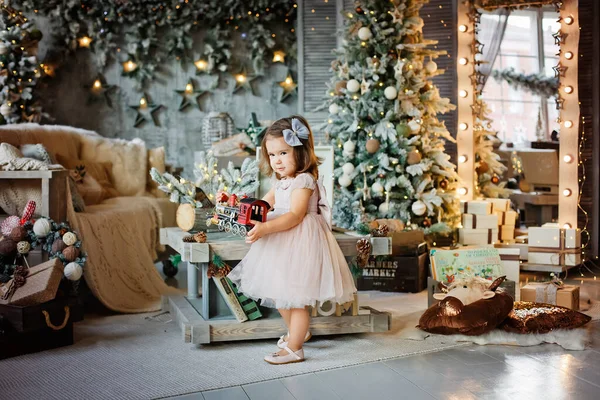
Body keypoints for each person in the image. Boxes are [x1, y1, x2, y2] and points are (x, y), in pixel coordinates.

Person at [228, 116, 357, 365]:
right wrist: (245, 208)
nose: (277, 161)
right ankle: (298, 333)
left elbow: (296, 216)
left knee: (295, 298)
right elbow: (265, 203)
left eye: (283, 153)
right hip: (280, 242)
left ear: (300, 151)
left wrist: (265, 228)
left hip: (301, 241)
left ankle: (295, 347)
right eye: (272, 155)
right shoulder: (282, 181)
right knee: (279, 294)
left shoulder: (304, 180)